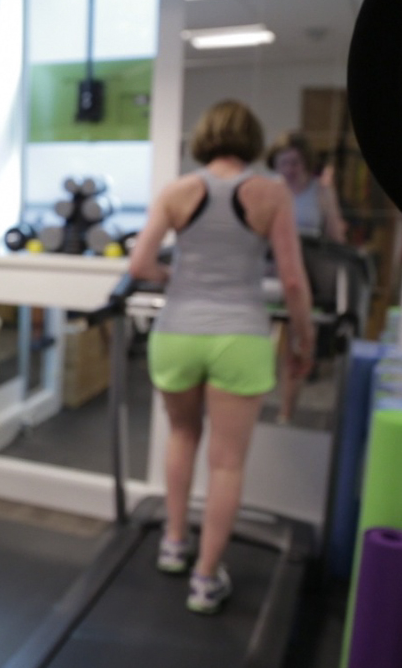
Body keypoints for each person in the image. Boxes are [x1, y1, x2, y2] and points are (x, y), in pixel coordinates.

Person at [128, 100, 314, 614]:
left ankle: (173, 544)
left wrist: (174, 277)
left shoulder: (176, 191)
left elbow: (140, 264)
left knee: (181, 436)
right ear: (252, 140)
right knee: (227, 464)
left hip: (178, 332)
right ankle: (206, 579)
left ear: (206, 137)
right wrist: (304, 340)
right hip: (240, 335)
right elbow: (292, 280)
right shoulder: (271, 193)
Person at [267, 130, 349, 423]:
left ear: (305, 163)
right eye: (284, 162)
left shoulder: (321, 192)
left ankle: (286, 413)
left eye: (295, 162)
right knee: (259, 344)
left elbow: (336, 237)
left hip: (307, 275)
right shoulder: (268, 189)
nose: (290, 169)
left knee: (298, 345)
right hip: (269, 274)